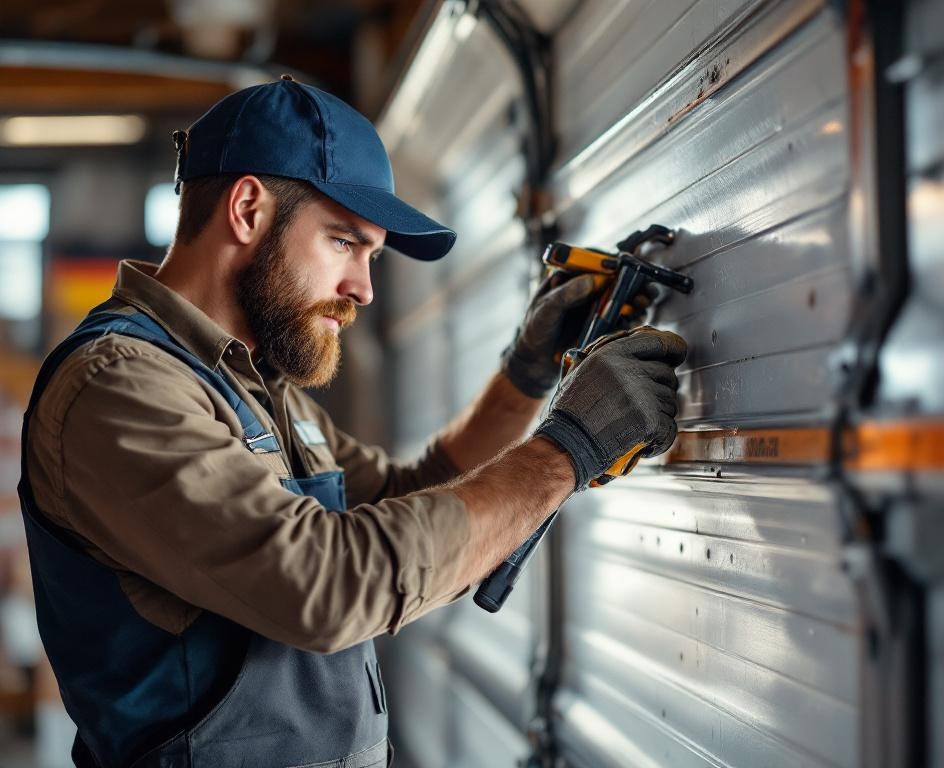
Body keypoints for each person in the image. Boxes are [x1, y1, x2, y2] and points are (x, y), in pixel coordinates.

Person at [18, 75, 686, 767]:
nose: (363, 289)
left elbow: (411, 500)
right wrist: (567, 450)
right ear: (247, 210)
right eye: (344, 243)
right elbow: (331, 586)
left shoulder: (255, 385)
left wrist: (529, 375)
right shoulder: (121, 386)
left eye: (370, 255)